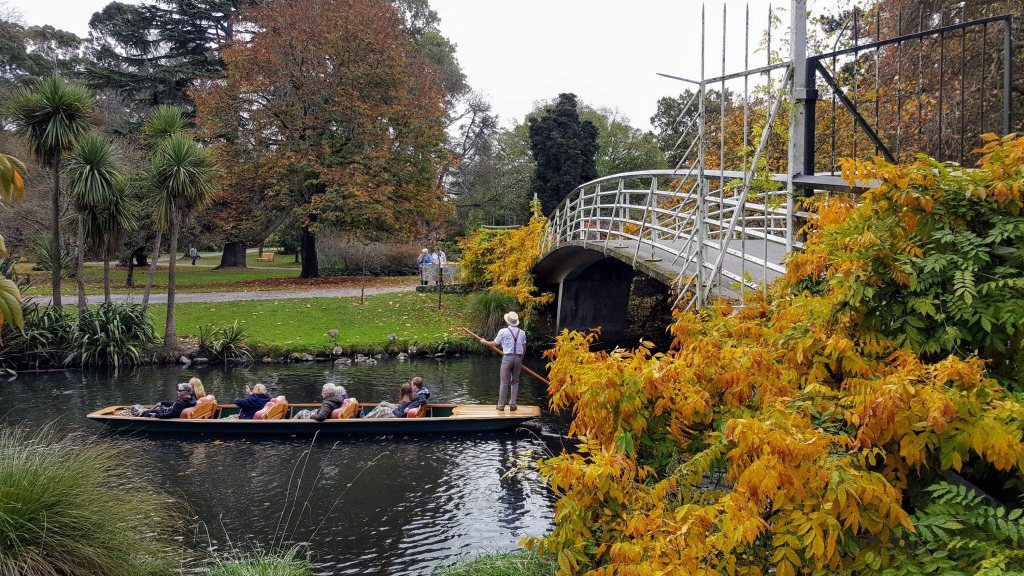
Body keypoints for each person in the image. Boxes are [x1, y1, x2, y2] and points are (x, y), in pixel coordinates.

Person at [477, 312, 525, 411]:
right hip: (518, 359)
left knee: (504, 382)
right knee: (515, 382)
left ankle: (501, 406)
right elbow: (524, 348)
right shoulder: (522, 332)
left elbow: (494, 344)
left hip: (507, 358)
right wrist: (520, 360)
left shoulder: (503, 331)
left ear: (507, 321)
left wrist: (484, 342)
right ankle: (513, 405)